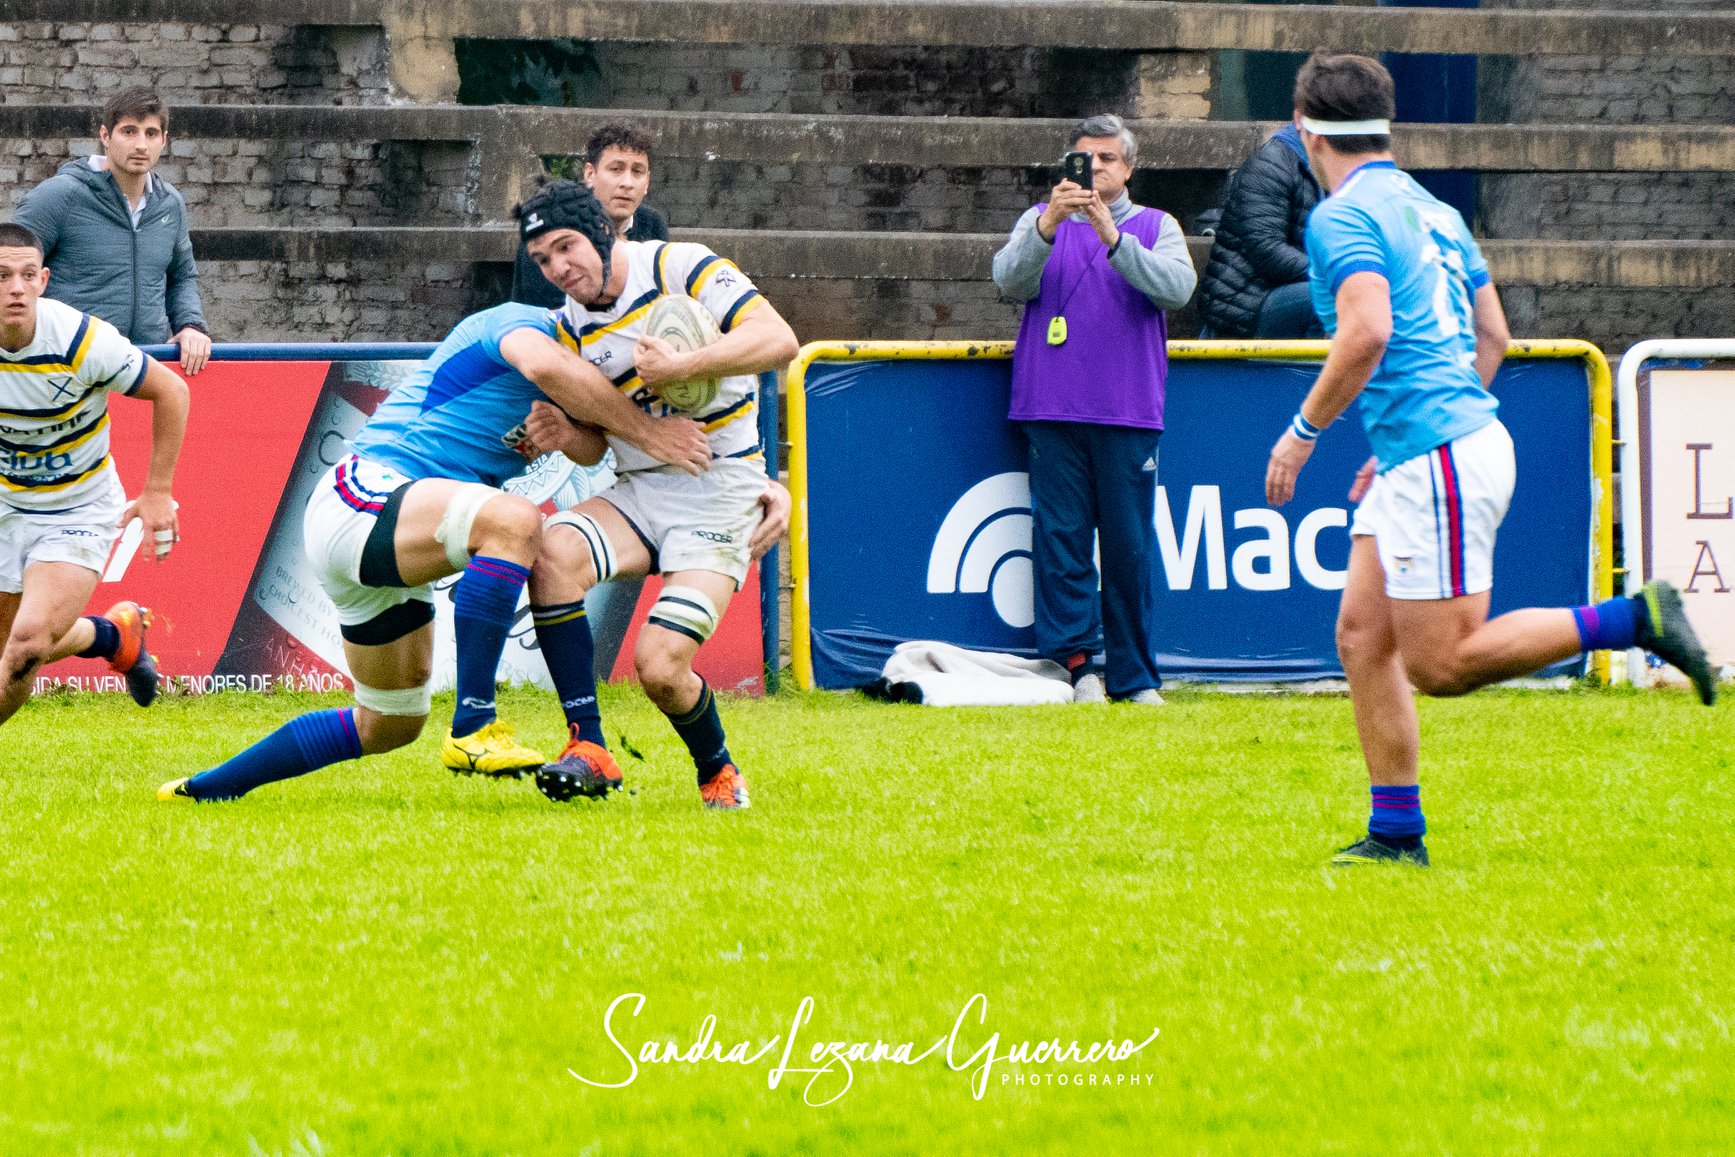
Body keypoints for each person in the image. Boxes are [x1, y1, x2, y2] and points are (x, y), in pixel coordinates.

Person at [1262, 53, 1716, 868]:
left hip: (1440, 450)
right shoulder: (1432, 209)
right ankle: (1395, 836)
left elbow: (1365, 333)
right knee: (1363, 634)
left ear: (1304, 132)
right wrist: (1404, 439)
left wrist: (1303, 431)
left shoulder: (1338, 217)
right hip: (1442, 443)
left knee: (1442, 662)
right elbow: (1493, 336)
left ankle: (1635, 617)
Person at [156, 200, 715, 802]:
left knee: (389, 723)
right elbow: (544, 367)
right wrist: (650, 432)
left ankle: (203, 789)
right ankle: (474, 724)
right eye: (545, 257)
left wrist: (573, 434)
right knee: (518, 521)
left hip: (392, 541)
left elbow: (587, 447)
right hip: (365, 494)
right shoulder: (524, 323)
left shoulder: (596, 368)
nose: (557, 268)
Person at [505, 179, 799, 810]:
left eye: (566, 247)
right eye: (543, 261)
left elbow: (779, 341)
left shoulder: (680, 264)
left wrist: (683, 368)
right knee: (549, 553)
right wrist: (564, 434)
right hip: (639, 491)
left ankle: (717, 771)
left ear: (602, 231)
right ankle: (589, 747)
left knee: (660, 666)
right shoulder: (568, 328)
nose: (559, 268)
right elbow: (595, 447)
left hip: (721, 493)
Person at [990, 113, 1197, 706]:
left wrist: (1113, 238)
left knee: (1129, 548)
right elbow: (1007, 280)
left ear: (1129, 168)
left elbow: (1177, 291)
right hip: (1051, 406)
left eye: (1109, 159)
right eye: (1087, 159)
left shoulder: (1157, 225)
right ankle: (1075, 666)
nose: (1097, 168)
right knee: (1061, 541)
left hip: (1128, 410)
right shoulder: (1040, 220)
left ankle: (1134, 677)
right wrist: (1049, 225)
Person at [0, 222, 189, 726]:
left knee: (25, 647)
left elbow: (172, 391)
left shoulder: (82, 340)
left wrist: (157, 492)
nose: (15, 288)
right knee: (7, 653)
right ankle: (115, 636)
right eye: (0, 276)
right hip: (5, 503)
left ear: (43, 280)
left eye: (24, 275)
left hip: (77, 508)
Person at [13, 88, 211, 375]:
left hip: (146, 367)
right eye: (129, 132)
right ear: (105, 136)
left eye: (151, 133)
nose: (141, 145)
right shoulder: (60, 196)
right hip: (70, 367)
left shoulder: (170, 204)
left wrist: (191, 326)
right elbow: (11, 266)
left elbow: (182, 277)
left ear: (164, 140)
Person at [511, 120, 670, 309]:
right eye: (616, 169)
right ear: (589, 174)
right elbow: (546, 315)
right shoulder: (551, 229)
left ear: (647, 182)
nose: (627, 183)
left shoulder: (651, 223)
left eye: (637, 171)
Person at [1197, 121, 1323, 339]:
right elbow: (1266, 248)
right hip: (1245, 301)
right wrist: (1334, 272)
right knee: (1329, 295)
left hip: (1286, 289)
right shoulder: (1272, 162)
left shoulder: (1337, 163)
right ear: (1299, 117)